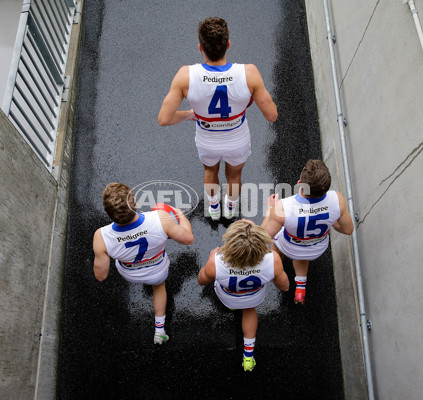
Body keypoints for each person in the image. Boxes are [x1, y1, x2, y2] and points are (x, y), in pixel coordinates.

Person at [158, 17, 278, 221]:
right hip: (237, 138)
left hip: (207, 138)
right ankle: (230, 208)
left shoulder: (185, 76)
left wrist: (189, 114)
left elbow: (164, 119)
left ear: (200, 48)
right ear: (228, 45)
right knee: (234, 175)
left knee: (210, 170)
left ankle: (213, 208)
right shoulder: (249, 73)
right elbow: (272, 115)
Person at [93, 183, 194, 344]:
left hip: (129, 272)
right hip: (157, 269)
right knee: (159, 287)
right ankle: (159, 331)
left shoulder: (101, 236)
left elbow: (101, 275)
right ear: (136, 203)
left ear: (108, 213)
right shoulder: (161, 218)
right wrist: (179, 214)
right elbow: (188, 239)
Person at [198, 219, 289, 371]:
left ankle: (233, 308)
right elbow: (284, 286)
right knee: (249, 311)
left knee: (231, 301)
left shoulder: (217, 261)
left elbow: (201, 280)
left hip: (228, 296)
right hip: (253, 296)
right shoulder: (272, 259)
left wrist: (210, 258)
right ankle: (248, 356)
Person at [261, 159, 354, 305]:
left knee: (275, 246)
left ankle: (277, 270)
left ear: (300, 183)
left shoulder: (283, 207)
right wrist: (334, 223)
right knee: (303, 254)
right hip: (317, 248)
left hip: (290, 246)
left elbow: (263, 237)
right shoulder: (338, 199)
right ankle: (300, 288)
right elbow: (348, 230)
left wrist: (270, 210)